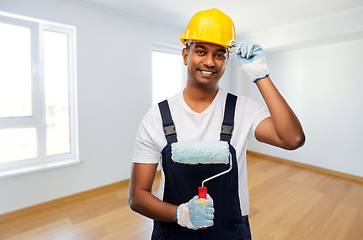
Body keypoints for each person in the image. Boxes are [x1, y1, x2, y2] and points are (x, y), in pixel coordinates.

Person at [128, 8, 305, 240]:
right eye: (201, 51)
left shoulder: (243, 109)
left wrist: (260, 75)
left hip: (231, 231)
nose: (210, 62)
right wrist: (180, 214)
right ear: (185, 55)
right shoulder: (157, 117)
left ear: (227, 60)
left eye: (220, 54)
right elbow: (137, 196)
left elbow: (293, 139)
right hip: (172, 229)